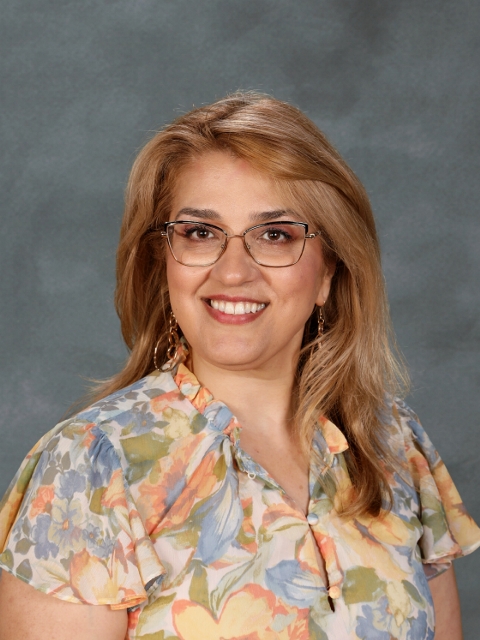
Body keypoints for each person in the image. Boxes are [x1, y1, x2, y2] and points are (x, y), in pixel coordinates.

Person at [0, 92, 479, 640]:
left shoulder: (393, 443)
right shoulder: (91, 468)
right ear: (164, 262)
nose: (233, 272)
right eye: (200, 233)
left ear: (327, 272)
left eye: (274, 235)